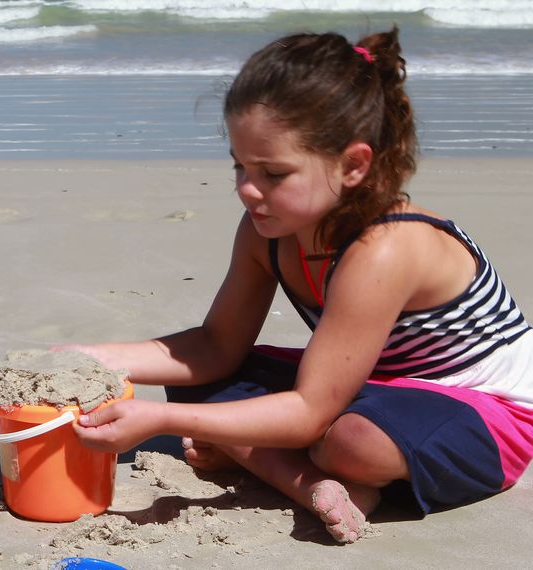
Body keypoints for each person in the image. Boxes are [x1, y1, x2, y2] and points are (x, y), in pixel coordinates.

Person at [61, 27, 533, 544]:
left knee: (351, 442)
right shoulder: (268, 233)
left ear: (353, 165)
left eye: (274, 173)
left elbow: (311, 412)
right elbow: (216, 345)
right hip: (368, 383)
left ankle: (313, 477)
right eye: (240, 166)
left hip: (484, 410)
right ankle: (318, 482)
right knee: (198, 379)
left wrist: (159, 419)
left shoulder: (387, 247)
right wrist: (80, 357)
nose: (247, 189)